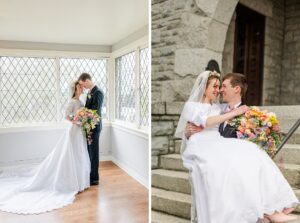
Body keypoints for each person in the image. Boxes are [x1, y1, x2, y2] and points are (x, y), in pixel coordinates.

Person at [175, 71, 299, 223]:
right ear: (204, 87)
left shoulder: (219, 107)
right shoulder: (191, 106)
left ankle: (273, 208)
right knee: (222, 169)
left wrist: (238, 111)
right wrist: (188, 132)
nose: (218, 90)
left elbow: (225, 115)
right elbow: (207, 122)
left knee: (253, 153)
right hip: (202, 145)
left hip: (217, 142)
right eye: (214, 86)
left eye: (220, 86)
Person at [0, 81, 90, 214]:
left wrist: (84, 120)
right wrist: (76, 120)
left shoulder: (82, 102)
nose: (81, 89)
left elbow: (83, 115)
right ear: (75, 89)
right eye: (79, 87)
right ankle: (71, 182)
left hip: (79, 132)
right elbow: (66, 116)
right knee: (71, 155)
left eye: (82, 87)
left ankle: (80, 182)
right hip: (73, 131)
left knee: (79, 154)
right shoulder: (72, 102)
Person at [78, 73, 103, 186]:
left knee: (94, 153)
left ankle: (95, 178)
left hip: (95, 127)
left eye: (83, 84)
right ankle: (90, 174)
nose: (83, 87)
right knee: (89, 152)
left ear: (87, 80)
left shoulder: (98, 92)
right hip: (89, 126)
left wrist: (82, 114)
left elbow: (95, 111)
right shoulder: (90, 92)